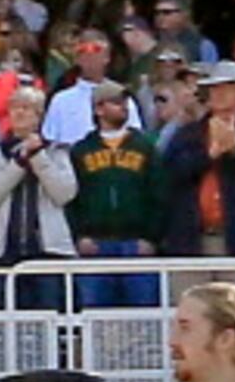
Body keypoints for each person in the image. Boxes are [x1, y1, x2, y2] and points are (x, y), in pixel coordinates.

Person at [157, 63, 235, 264]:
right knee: (192, 296)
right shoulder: (188, 134)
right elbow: (169, 174)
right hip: (191, 242)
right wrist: (208, 154)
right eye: (213, 88)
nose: (218, 93)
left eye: (227, 87)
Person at [0, 84, 76, 313]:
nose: (19, 113)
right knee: (5, 325)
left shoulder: (56, 152)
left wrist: (38, 157)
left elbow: (64, 193)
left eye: (27, 109)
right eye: (14, 108)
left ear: (40, 116)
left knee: (49, 322)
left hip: (47, 253)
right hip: (0, 254)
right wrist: (18, 164)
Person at [66, 83, 167, 310]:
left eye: (124, 102)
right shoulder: (82, 150)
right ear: (98, 109)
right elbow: (71, 199)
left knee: (143, 318)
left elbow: (160, 195)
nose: (123, 107)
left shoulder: (145, 147)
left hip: (137, 245)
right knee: (96, 319)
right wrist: (79, 236)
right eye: (115, 102)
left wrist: (152, 238)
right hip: (95, 245)